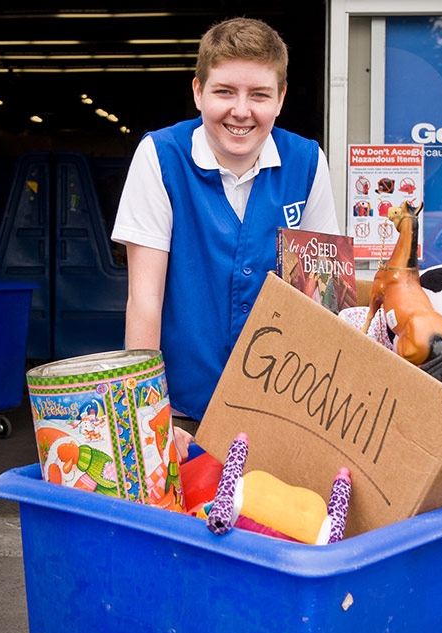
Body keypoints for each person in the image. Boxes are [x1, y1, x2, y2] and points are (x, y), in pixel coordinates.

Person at [111, 16, 340, 454]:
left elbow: (320, 297)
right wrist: (148, 414)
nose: (241, 110)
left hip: (278, 410)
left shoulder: (307, 162)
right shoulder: (161, 157)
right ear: (198, 92)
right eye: (224, 92)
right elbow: (144, 298)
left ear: (281, 99)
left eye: (259, 95)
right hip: (180, 411)